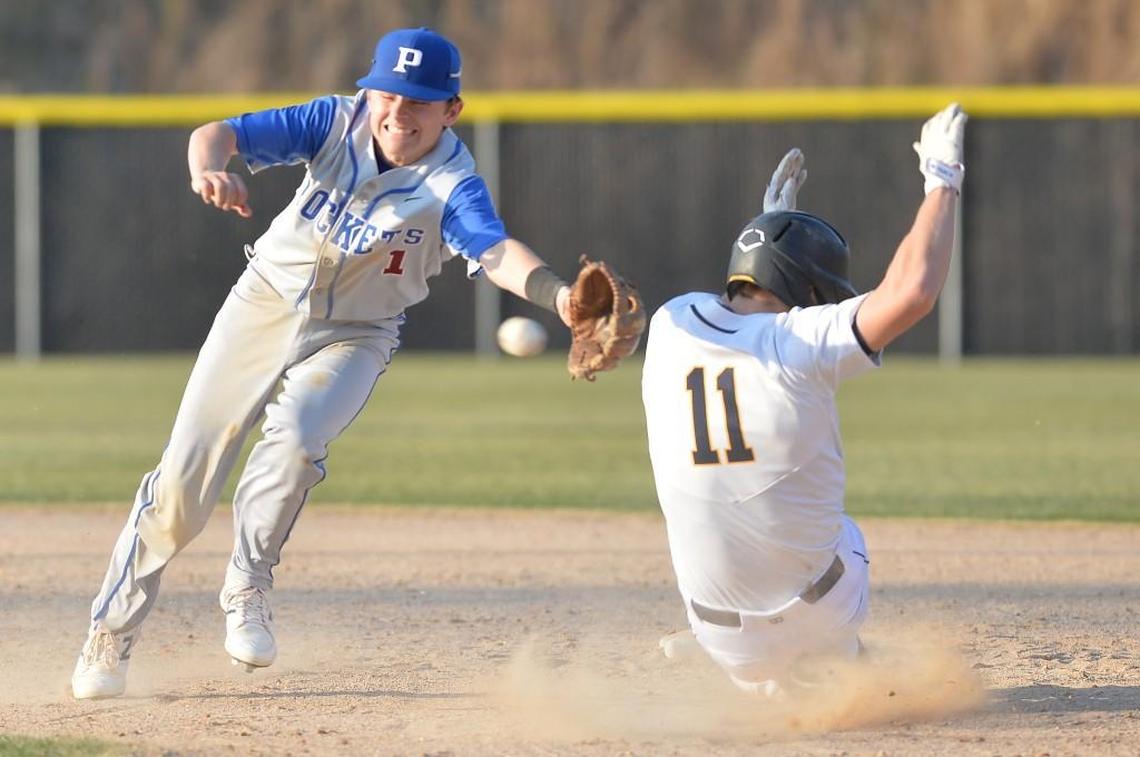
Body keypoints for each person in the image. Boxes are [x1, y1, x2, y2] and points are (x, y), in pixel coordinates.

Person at [71, 27, 581, 699]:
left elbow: (492, 250)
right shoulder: (334, 120)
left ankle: (247, 586)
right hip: (263, 304)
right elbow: (214, 133)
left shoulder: (450, 180)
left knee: (300, 439)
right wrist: (209, 169)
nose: (399, 112)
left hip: (357, 333)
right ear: (369, 91)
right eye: (388, 95)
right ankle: (111, 633)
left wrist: (562, 296)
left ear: (451, 110)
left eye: (420, 101)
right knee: (183, 487)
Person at [642, 104, 967, 696]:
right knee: (844, 532)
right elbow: (912, 292)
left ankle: (748, 673)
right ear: (808, 292)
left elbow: (748, 319)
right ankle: (841, 662)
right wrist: (941, 180)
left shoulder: (670, 323)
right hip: (820, 616)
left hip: (718, 630)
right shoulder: (804, 343)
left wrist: (768, 228)